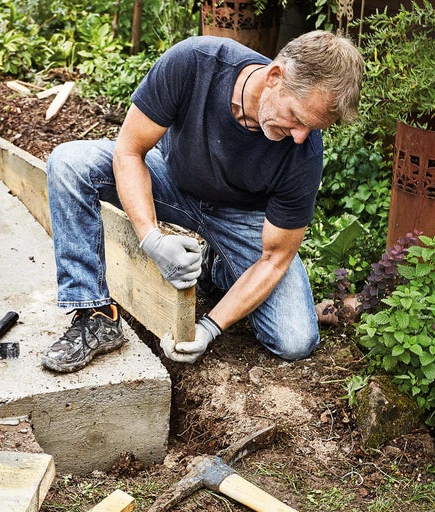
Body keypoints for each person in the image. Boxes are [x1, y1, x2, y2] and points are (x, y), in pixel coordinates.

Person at [41, 31, 364, 373]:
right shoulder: (195, 62)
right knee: (70, 163)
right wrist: (151, 237)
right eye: (297, 118)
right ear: (274, 77)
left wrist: (209, 327)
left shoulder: (304, 152)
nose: (300, 136)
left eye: (312, 128)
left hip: (243, 217)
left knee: (295, 339)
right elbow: (129, 150)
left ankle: (219, 266)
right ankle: (95, 316)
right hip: (173, 182)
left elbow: (275, 259)